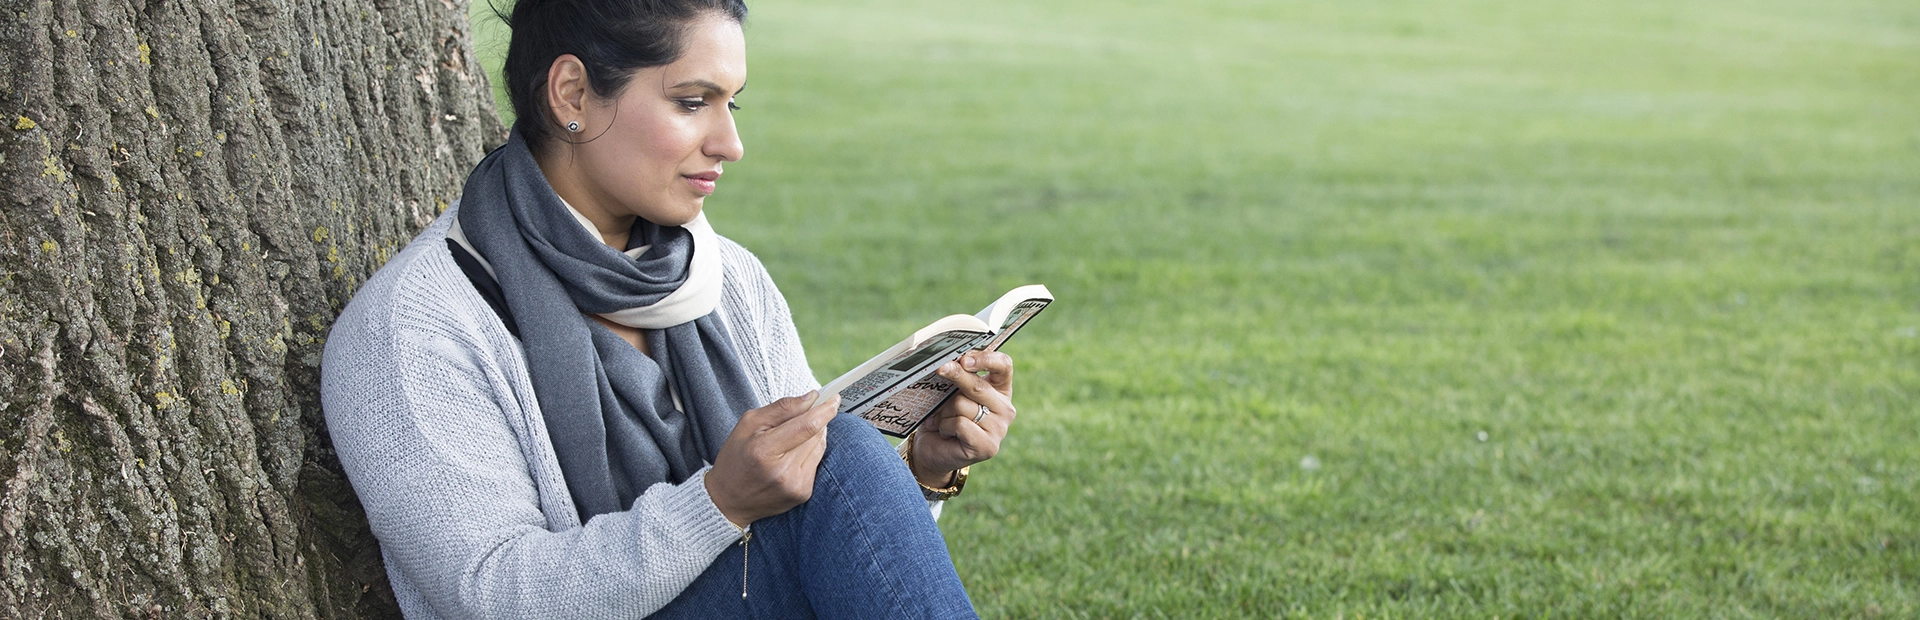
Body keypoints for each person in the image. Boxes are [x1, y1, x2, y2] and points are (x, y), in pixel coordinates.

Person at [318, 0, 1016, 617]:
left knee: (845, 454)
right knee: (847, 453)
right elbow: (492, 594)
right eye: (691, 102)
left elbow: (817, 527)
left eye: (731, 104)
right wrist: (719, 502)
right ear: (573, 93)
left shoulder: (728, 279)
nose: (730, 144)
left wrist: (924, 472)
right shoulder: (415, 327)